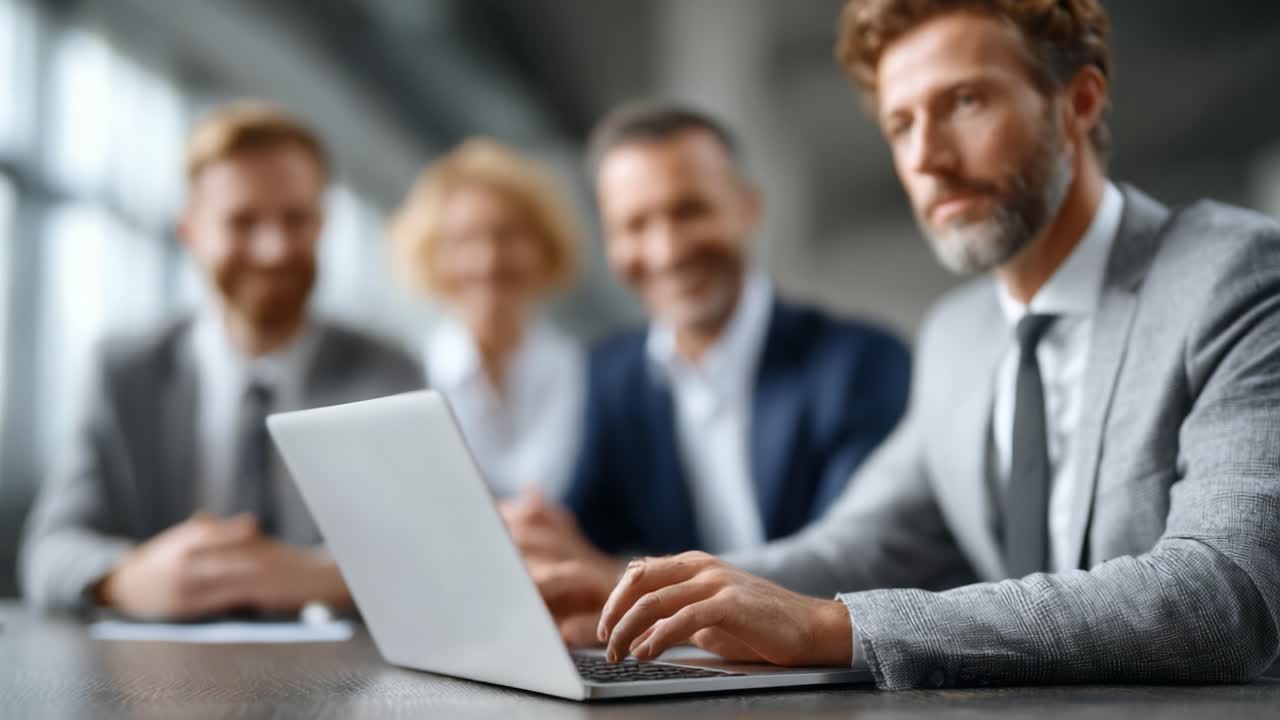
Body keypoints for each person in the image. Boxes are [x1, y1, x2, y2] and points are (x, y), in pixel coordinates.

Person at [564, 0, 1280, 689]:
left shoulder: (1235, 277)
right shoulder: (957, 336)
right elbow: (860, 544)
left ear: (1079, 102)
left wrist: (839, 627)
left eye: (966, 101)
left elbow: (1224, 593)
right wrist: (641, 593)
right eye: (901, 124)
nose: (927, 158)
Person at [506, 103, 912, 644]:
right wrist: (545, 537)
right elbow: (591, 541)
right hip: (684, 670)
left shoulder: (861, 365)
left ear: (749, 207)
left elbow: (854, 562)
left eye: (690, 211)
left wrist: (625, 578)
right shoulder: (609, 374)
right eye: (635, 224)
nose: (667, 250)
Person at [20, 101, 423, 618]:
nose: (273, 249)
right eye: (242, 221)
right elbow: (49, 552)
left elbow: (429, 550)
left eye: (296, 220)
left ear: (321, 224)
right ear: (190, 230)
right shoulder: (125, 371)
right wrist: (123, 578)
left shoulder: (386, 372)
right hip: (157, 686)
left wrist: (311, 576)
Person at [389, 139, 585, 500]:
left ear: (544, 245)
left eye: (507, 236)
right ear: (433, 255)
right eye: (465, 241)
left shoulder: (587, 377)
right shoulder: (404, 379)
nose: (489, 261)